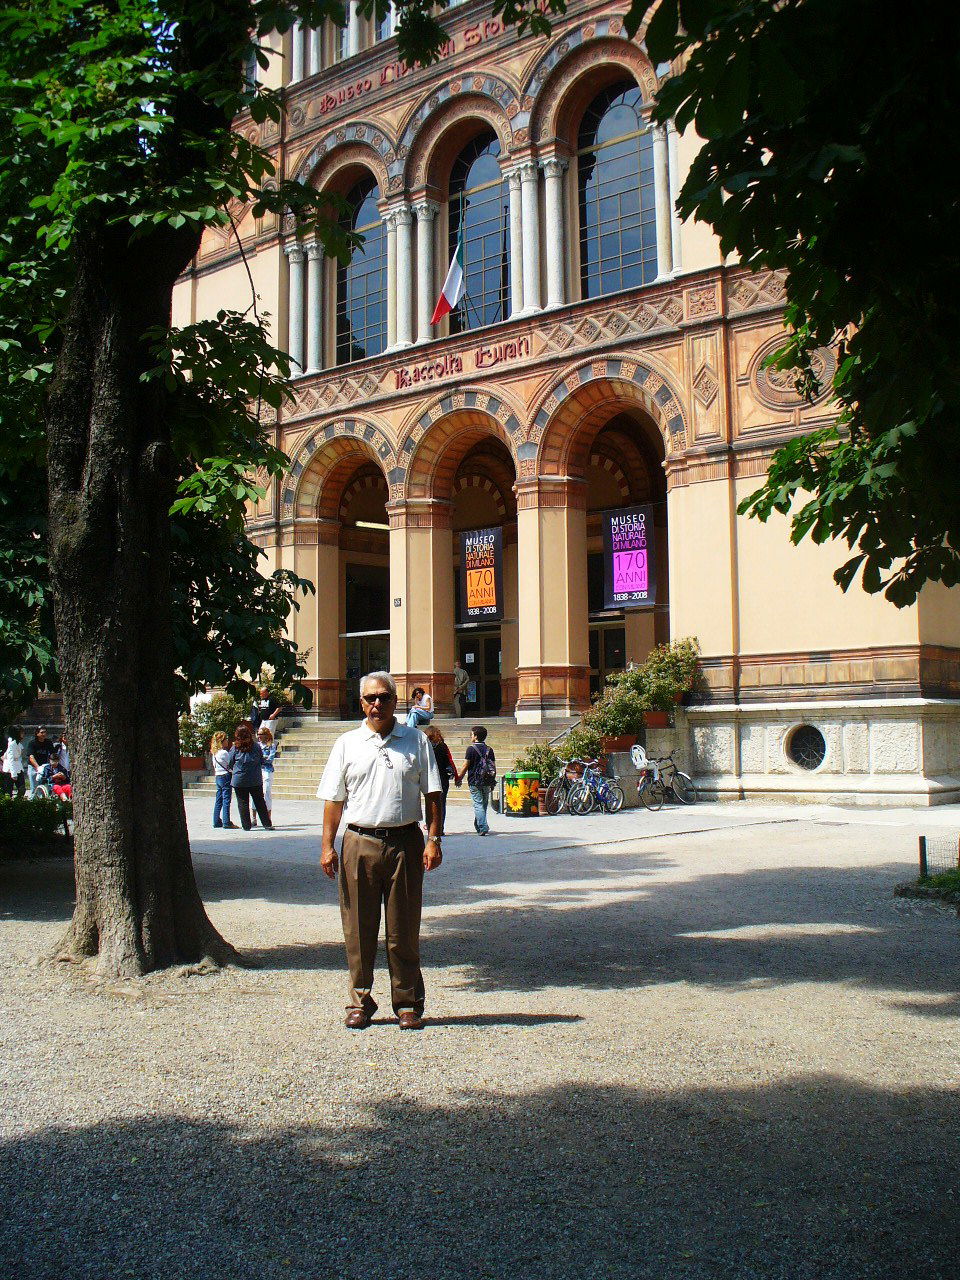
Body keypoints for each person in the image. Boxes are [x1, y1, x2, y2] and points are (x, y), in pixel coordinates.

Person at [317, 670, 443, 1031]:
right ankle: (360, 1000)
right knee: (358, 928)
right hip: (359, 841)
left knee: (404, 927)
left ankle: (407, 1003)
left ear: (394, 701)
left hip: (405, 842)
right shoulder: (346, 743)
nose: (377, 704)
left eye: (384, 697)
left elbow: (433, 795)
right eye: (370, 698)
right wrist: (327, 846)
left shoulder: (416, 741)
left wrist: (434, 838)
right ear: (361, 703)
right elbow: (333, 800)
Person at [226, 723, 273, 831]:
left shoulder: (235, 748)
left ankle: (246, 825)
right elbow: (262, 760)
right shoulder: (256, 746)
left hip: (239, 779)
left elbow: (230, 762)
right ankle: (267, 824)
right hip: (255, 779)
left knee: (242, 803)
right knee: (260, 802)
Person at [459, 725, 496, 836]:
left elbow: (466, 765)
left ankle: (482, 826)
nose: (471, 736)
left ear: (475, 736)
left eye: (471, 734)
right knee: (483, 804)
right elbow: (493, 765)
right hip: (486, 780)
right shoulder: (489, 749)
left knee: (478, 804)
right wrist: (493, 780)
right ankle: (479, 824)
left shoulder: (471, 749)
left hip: (474, 780)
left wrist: (459, 777)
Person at [424, 725, 456, 835]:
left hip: (429, 778)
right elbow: (449, 762)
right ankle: (440, 827)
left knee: (430, 802)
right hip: (442, 779)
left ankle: (431, 827)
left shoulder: (425, 747)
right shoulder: (442, 746)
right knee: (441, 803)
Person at [211, 731, 236, 829]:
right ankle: (226, 822)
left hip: (218, 776)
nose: (227, 741)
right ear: (222, 741)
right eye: (226, 739)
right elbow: (230, 764)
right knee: (226, 800)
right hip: (225, 776)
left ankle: (216, 821)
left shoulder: (214, 753)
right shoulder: (224, 753)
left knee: (219, 799)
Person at [257, 725, 277, 825]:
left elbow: (270, 759)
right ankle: (254, 817)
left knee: (266, 792)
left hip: (267, 771)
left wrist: (260, 759)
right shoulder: (256, 745)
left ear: (266, 735)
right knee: (256, 793)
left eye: (260, 734)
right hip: (257, 771)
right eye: (258, 734)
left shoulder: (271, 746)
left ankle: (268, 817)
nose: (258, 736)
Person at [26, 726, 54, 798]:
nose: (44, 734)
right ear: (37, 733)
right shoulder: (32, 743)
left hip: (44, 767)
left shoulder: (48, 742)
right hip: (33, 767)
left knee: (45, 787)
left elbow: (53, 754)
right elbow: (31, 757)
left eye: (45, 732)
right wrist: (37, 767)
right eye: (42, 732)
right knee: (34, 788)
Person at [1, 728, 25, 799]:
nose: (23, 734)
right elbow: (10, 759)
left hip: (18, 768)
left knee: (22, 788)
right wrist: (13, 774)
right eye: (21, 732)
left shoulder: (18, 744)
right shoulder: (12, 744)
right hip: (10, 769)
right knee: (8, 791)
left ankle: (17, 802)